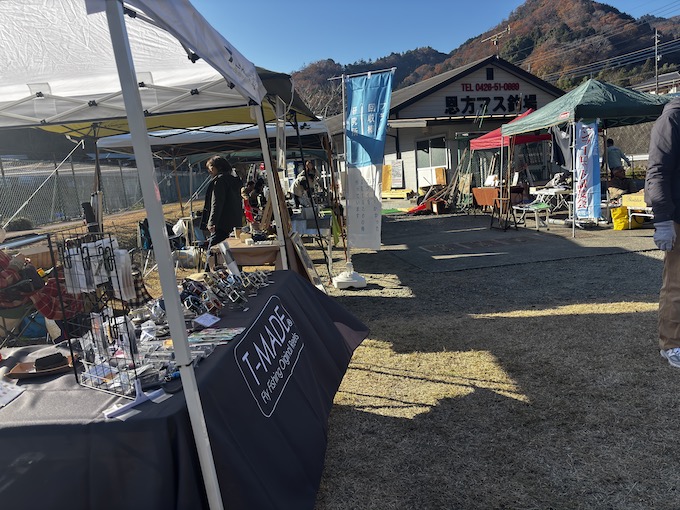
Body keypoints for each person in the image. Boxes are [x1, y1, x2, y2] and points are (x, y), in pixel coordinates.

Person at [645, 97, 680, 368]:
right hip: (678, 217)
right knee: (677, 283)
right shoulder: (672, 118)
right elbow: (656, 172)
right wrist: (663, 221)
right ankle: (672, 344)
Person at [0, 227, 84, 321]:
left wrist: (23, 264)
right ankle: (75, 322)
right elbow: (3, 282)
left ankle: (76, 319)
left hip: (23, 286)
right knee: (68, 287)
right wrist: (16, 265)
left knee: (65, 275)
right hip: (14, 298)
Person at [200, 155, 243, 270]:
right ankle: (235, 273)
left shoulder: (220, 181)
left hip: (221, 222)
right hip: (234, 222)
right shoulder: (234, 180)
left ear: (217, 167)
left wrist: (212, 222)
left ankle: (208, 274)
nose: (209, 171)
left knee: (212, 251)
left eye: (210, 167)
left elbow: (217, 202)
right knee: (232, 252)